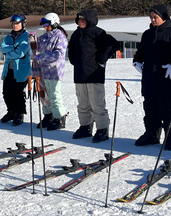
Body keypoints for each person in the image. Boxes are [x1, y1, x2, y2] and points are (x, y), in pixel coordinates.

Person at [133, 5, 171, 149]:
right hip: (150, 77)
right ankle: (151, 134)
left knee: (167, 109)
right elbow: (141, 50)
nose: (153, 20)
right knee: (149, 108)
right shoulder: (147, 34)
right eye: (151, 17)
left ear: (164, 17)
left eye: (156, 17)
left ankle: (169, 135)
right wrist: (137, 60)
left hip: (168, 79)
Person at [68, 9, 118, 143]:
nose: (80, 22)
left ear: (90, 20)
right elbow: (71, 48)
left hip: (94, 73)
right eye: (79, 19)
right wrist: (73, 60)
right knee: (83, 103)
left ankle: (102, 129)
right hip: (79, 74)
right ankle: (85, 127)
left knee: (97, 104)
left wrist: (102, 59)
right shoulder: (76, 33)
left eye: (83, 19)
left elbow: (113, 44)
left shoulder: (98, 33)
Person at [34, 13, 69, 131]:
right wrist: (32, 40)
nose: (44, 26)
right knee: (44, 94)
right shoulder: (44, 37)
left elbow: (58, 54)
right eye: (43, 24)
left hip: (54, 71)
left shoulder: (60, 37)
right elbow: (35, 48)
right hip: (43, 71)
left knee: (54, 95)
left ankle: (59, 117)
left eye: (46, 24)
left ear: (54, 23)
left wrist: (42, 56)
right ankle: (48, 115)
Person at [0, 14, 32, 126]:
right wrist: (13, 49)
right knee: (6, 92)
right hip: (9, 69)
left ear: (23, 24)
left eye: (17, 23)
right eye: (13, 23)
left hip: (21, 70)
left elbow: (21, 52)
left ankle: (19, 113)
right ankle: (11, 111)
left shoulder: (26, 37)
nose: (15, 25)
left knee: (17, 93)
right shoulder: (9, 36)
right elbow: (2, 47)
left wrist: (9, 52)